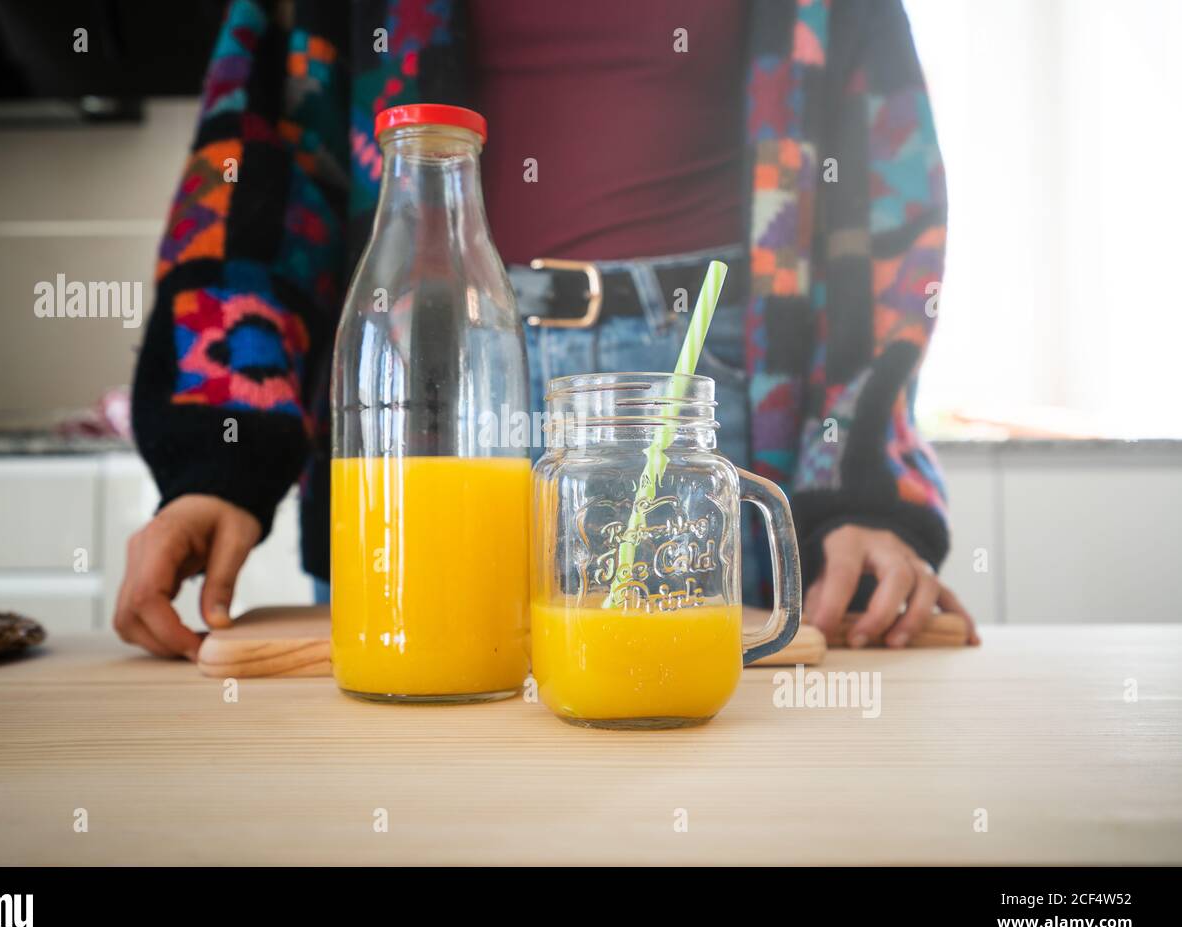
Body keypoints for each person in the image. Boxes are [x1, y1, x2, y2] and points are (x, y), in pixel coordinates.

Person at [116, 0, 979, 660]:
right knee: (414, 754)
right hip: (434, 387)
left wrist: (863, 486)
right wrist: (217, 458)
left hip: (707, 382)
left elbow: (882, 181)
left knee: (714, 752)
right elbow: (259, 165)